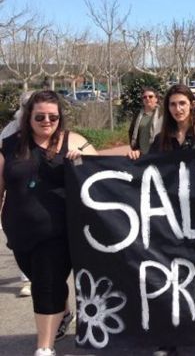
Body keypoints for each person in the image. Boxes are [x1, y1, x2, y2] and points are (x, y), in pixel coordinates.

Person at [0, 90, 97, 356]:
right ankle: (63, 313)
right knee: (41, 278)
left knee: (46, 284)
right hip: (19, 233)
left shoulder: (74, 141)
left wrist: (83, 160)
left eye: (52, 116)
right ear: (28, 117)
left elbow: (102, 175)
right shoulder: (10, 146)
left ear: (60, 117)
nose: (46, 121)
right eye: (39, 116)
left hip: (59, 231)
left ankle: (45, 346)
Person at [137, 85, 195, 356]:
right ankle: (169, 336)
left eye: (182, 103)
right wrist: (134, 159)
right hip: (171, 217)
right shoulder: (161, 139)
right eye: (173, 104)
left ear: (192, 104)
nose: (178, 109)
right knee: (172, 276)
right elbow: (148, 172)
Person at [0, 90, 35, 298]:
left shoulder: (48, 128)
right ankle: (27, 279)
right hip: (19, 196)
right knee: (23, 240)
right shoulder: (9, 132)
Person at [126, 86, 163, 159]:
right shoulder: (138, 115)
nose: (147, 99)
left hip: (158, 154)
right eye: (144, 97)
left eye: (150, 96)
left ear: (156, 99)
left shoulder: (162, 114)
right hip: (141, 155)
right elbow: (131, 132)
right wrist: (135, 149)